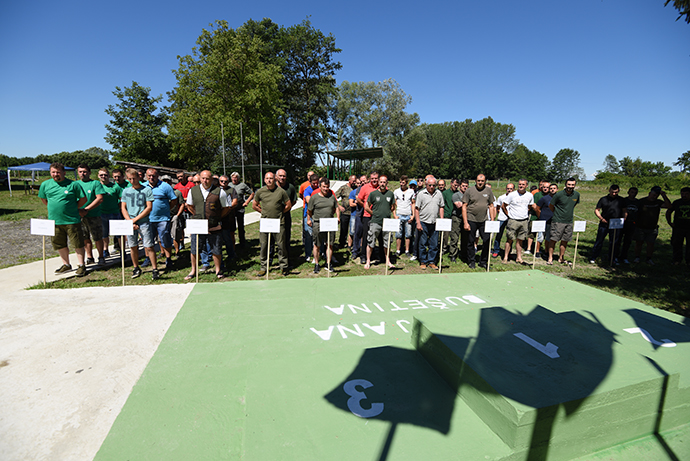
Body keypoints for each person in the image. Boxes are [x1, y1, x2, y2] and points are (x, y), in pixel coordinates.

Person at [38, 163, 88, 277]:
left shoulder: (73, 184)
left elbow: (83, 199)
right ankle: (66, 264)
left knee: (77, 243)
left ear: (64, 173)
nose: (56, 174)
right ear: (50, 173)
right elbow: (44, 199)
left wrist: (72, 207)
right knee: (59, 244)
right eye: (53, 172)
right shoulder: (45, 184)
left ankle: (81, 265)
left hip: (72, 220)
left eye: (58, 172)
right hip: (55, 221)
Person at [185, 170, 231, 280]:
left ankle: (218, 270)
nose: (205, 181)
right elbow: (189, 205)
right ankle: (193, 270)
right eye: (203, 178)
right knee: (195, 249)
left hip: (214, 225)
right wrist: (197, 215)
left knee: (216, 248)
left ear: (212, 179)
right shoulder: (193, 191)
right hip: (198, 225)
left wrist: (217, 217)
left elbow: (226, 207)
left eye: (207, 178)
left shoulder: (219, 191)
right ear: (200, 178)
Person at [253, 171, 292, 276]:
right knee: (264, 245)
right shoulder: (260, 191)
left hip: (279, 222)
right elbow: (254, 205)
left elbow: (288, 205)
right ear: (264, 180)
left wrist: (281, 212)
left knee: (281, 245)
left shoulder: (281, 191)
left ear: (275, 179)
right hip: (265, 222)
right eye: (267, 178)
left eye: (271, 178)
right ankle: (263, 267)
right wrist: (263, 212)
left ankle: (284, 266)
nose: (269, 180)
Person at [120, 168, 156, 279]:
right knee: (132, 246)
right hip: (129, 222)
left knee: (149, 246)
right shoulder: (126, 191)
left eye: (134, 178)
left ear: (138, 177)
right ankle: (136, 267)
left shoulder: (146, 190)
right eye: (130, 179)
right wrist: (129, 221)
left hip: (143, 221)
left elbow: (149, 207)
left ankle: (154, 268)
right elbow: (123, 207)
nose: (132, 181)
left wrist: (134, 220)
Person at [144, 168, 177, 272]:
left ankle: (168, 258)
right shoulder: (143, 187)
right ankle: (148, 258)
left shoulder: (165, 186)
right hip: (147, 218)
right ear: (146, 176)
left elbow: (174, 200)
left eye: (153, 176)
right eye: (149, 176)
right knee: (148, 240)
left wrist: (166, 209)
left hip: (163, 218)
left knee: (165, 240)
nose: (151, 178)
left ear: (157, 176)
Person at [462, 174, 496, 269]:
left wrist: (492, 220)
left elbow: (491, 205)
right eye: (478, 181)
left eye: (482, 181)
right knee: (470, 241)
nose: (480, 182)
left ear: (485, 181)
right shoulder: (469, 191)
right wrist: (465, 222)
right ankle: (471, 261)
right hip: (471, 219)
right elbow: (464, 206)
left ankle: (483, 261)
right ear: (475, 181)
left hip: (484, 220)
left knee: (487, 240)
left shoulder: (488, 191)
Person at [307, 177, 340, 274]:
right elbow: (309, 210)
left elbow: (336, 207)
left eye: (327, 187)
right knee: (317, 244)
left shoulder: (331, 197)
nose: (326, 189)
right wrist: (309, 220)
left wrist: (338, 217)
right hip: (318, 223)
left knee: (330, 244)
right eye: (324, 187)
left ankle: (328, 263)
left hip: (330, 223)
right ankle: (317, 264)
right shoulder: (314, 198)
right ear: (320, 187)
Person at [588, 185, 627, 266]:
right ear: (609, 190)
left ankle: (613, 258)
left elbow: (624, 211)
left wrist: (624, 219)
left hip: (616, 223)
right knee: (599, 240)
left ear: (618, 191)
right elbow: (597, 210)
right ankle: (594, 257)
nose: (614, 194)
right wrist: (601, 218)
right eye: (612, 192)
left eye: (616, 192)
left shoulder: (621, 200)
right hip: (604, 223)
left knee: (614, 242)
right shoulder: (603, 199)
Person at [633, 186, 672, 265]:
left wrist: (664, 196)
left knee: (650, 243)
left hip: (652, 227)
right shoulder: (641, 201)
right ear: (649, 193)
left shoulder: (658, 202)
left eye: (656, 196)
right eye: (653, 195)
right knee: (639, 243)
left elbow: (669, 206)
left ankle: (649, 258)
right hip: (640, 226)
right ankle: (637, 257)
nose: (654, 197)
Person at [364, 175, 396, 270]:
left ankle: (388, 261)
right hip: (375, 222)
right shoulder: (373, 194)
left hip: (387, 222)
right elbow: (366, 206)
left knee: (387, 242)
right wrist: (374, 213)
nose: (382, 184)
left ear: (387, 183)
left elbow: (393, 206)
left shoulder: (390, 194)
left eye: (384, 182)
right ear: (378, 182)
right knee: (371, 241)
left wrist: (388, 213)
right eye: (381, 182)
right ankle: (368, 261)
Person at [76, 164, 106, 266]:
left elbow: (99, 198)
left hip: (94, 215)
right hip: (80, 216)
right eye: (80, 172)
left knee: (97, 237)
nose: (82, 174)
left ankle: (101, 256)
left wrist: (87, 209)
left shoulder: (95, 183)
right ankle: (89, 257)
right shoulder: (75, 184)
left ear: (89, 173)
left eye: (84, 172)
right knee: (85, 237)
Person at [501, 179, 536, 264]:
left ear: (526, 185)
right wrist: (508, 215)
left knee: (520, 240)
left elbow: (530, 206)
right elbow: (504, 206)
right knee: (510, 239)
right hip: (513, 220)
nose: (521, 186)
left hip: (524, 221)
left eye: (523, 184)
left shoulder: (529, 195)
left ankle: (519, 257)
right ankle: (505, 257)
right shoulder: (512, 195)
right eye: (520, 184)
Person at [548, 177, 580, 265]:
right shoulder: (559, 195)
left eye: (572, 185)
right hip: (557, 221)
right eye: (569, 184)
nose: (570, 186)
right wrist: (557, 213)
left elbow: (573, 205)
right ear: (565, 185)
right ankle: (550, 258)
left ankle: (561, 258)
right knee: (553, 239)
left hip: (569, 221)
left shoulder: (576, 195)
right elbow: (551, 206)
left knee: (565, 240)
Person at [415, 175, 445, 270]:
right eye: (430, 185)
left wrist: (441, 219)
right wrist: (418, 222)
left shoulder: (439, 193)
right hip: (423, 222)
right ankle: (423, 261)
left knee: (434, 244)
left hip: (435, 222)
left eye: (433, 185)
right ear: (426, 184)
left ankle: (431, 261)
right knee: (423, 243)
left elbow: (441, 207)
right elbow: (416, 209)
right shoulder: (421, 194)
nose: (431, 187)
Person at [97, 168, 124, 259]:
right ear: (98, 176)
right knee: (104, 234)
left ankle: (122, 250)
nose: (103, 176)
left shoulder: (115, 187)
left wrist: (120, 208)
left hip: (115, 213)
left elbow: (122, 199)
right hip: (102, 213)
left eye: (105, 175)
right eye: (101, 175)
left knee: (119, 234)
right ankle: (105, 250)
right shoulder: (97, 186)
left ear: (109, 176)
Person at [356, 172, 380, 264]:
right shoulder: (365, 187)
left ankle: (376, 254)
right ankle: (363, 256)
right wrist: (365, 206)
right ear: (370, 179)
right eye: (372, 178)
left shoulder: (381, 187)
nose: (374, 180)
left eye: (376, 178)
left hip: (378, 216)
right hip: (367, 216)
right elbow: (358, 199)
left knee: (378, 236)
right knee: (366, 236)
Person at [276, 169, 297, 267]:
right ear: (276, 177)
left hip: (285, 215)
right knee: (271, 239)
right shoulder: (272, 186)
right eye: (280, 176)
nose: (282, 178)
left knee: (285, 238)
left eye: (284, 176)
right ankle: (269, 261)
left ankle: (287, 260)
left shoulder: (290, 187)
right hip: (273, 216)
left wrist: (286, 209)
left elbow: (294, 200)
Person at [162, 175, 186, 257]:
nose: (166, 182)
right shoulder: (159, 192)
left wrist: (178, 214)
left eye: (168, 181)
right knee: (161, 235)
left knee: (176, 234)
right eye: (164, 181)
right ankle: (163, 252)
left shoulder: (177, 192)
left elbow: (182, 204)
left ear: (171, 182)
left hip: (174, 215)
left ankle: (177, 251)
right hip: (162, 216)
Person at [218, 175, 240, 266]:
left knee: (230, 236)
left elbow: (235, 201)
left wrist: (227, 208)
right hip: (218, 217)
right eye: (222, 181)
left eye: (226, 181)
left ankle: (232, 253)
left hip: (229, 217)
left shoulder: (232, 190)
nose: (223, 183)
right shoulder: (216, 190)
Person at [229, 172, 254, 248]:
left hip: (240, 208)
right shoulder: (229, 185)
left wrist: (247, 202)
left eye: (236, 177)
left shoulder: (242, 185)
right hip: (231, 209)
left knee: (241, 227)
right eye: (233, 177)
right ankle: (232, 243)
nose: (234, 179)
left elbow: (252, 193)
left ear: (238, 178)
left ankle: (242, 243)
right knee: (231, 227)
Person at [667, 187, 690, 266]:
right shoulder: (677, 202)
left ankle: (689, 261)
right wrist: (669, 222)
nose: (684, 196)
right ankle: (677, 260)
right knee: (676, 244)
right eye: (682, 194)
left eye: (686, 194)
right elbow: (669, 211)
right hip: (678, 227)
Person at [536, 183, 558, 260]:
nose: (552, 190)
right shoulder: (544, 198)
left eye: (554, 188)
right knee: (540, 237)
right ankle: (537, 251)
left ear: (557, 189)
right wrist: (540, 217)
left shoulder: (558, 198)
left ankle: (546, 251)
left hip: (552, 221)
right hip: (543, 220)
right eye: (551, 188)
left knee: (548, 238)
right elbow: (537, 208)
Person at [394, 175, 415, 257]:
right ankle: (398, 250)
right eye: (400, 182)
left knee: (408, 234)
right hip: (399, 214)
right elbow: (394, 203)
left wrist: (413, 215)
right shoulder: (396, 191)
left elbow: (413, 203)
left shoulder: (411, 192)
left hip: (408, 214)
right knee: (398, 234)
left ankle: (407, 250)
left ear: (406, 183)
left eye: (403, 183)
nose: (401, 184)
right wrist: (395, 214)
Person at [527, 180, 550, 256]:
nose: (545, 189)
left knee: (543, 235)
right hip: (535, 217)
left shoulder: (551, 196)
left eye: (547, 187)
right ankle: (529, 248)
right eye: (544, 187)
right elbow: (534, 206)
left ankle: (544, 250)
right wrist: (539, 214)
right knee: (531, 233)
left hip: (546, 218)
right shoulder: (537, 194)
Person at [491, 183, 514, 258]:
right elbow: (498, 207)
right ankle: (496, 250)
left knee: (510, 236)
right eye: (508, 188)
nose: (509, 190)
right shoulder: (501, 197)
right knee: (498, 235)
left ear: (513, 189)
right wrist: (500, 214)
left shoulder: (515, 197)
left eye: (511, 189)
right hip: (501, 218)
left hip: (511, 218)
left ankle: (508, 251)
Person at [449, 179, 469, 263]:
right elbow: (459, 206)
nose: (464, 187)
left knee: (465, 237)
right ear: (460, 186)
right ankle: (453, 254)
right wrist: (468, 205)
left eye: (466, 186)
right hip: (457, 217)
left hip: (466, 218)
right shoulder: (456, 195)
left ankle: (464, 254)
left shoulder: (469, 195)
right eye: (463, 186)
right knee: (455, 237)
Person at [302, 173, 320, 262]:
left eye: (317, 183)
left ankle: (319, 253)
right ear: (310, 182)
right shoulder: (307, 190)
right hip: (309, 215)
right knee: (309, 235)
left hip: (319, 215)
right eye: (314, 183)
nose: (315, 185)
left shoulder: (320, 189)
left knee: (319, 235)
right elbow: (309, 201)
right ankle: (308, 254)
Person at [620, 187, 639, 264]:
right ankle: (615, 256)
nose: (633, 194)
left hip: (632, 223)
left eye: (635, 193)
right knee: (618, 240)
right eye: (632, 192)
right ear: (628, 192)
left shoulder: (638, 202)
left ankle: (624, 257)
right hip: (623, 223)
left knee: (627, 241)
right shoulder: (624, 201)